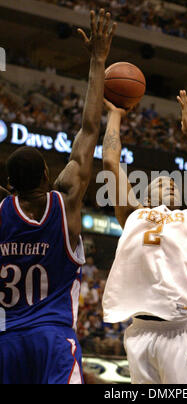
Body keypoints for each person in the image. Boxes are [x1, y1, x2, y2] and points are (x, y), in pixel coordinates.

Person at [0, 9, 116, 384]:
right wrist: (97, 60)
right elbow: (88, 130)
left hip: (6, 342)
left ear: (9, 184)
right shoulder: (65, 201)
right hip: (52, 338)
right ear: (49, 175)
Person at [102, 91, 187, 384]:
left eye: (174, 184)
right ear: (145, 196)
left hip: (182, 329)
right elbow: (111, 164)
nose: (170, 184)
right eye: (161, 182)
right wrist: (114, 115)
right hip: (138, 330)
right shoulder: (132, 214)